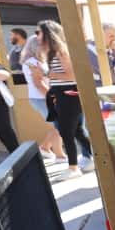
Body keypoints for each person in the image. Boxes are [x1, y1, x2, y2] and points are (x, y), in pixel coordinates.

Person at [38, 20, 94, 179]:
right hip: (62, 94)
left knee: (66, 131)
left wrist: (50, 75)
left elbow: (72, 75)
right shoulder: (53, 52)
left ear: (48, 34)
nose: (38, 36)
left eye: (40, 32)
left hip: (68, 95)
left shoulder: (60, 51)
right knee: (76, 131)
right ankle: (89, 158)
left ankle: (73, 167)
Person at [20, 34, 65, 162]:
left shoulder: (38, 61)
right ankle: (58, 154)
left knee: (58, 125)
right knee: (59, 125)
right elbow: (39, 84)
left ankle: (47, 148)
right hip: (42, 98)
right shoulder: (32, 63)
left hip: (43, 97)